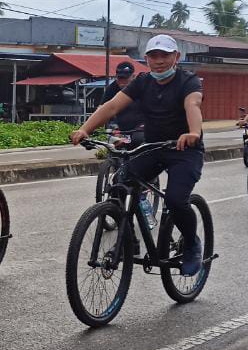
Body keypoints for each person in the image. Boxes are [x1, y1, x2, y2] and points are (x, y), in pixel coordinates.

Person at [70, 34, 205, 276]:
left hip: (185, 150)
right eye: (154, 56)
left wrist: (193, 132)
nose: (160, 61)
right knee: (119, 185)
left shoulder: (188, 81)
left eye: (165, 55)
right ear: (146, 59)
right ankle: (129, 242)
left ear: (177, 57)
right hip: (152, 148)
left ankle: (192, 244)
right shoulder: (143, 82)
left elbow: (192, 105)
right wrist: (84, 129)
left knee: (175, 200)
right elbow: (111, 106)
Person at [102, 61, 147, 144]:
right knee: (113, 143)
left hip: (140, 126)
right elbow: (102, 108)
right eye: (120, 78)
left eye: (125, 78)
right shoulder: (111, 89)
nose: (122, 82)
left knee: (138, 139)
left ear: (133, 76)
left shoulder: (142, 86)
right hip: (119, 126)